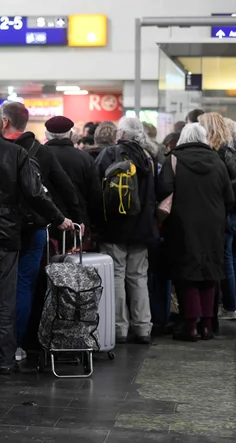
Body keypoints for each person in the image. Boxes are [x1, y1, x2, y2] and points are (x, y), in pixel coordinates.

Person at [0, 100, 73, 376]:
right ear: (0, 124)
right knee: (8, 298)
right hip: (8, 235)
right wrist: (59, 219)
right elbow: (35, 194)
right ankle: (7, 359)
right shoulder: (15, 153)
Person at [0, 101, 81, 362]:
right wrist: (67, 219)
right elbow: (68, 189)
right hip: (35, 227)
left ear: (5, 121)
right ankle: (19, 344)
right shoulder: (42, 153)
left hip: (0, 227)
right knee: (25, 284)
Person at [157, 123, 234, 341]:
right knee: (210, 275)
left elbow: (164, 190)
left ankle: (190, 325)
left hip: (182, 224)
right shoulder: (217, 162)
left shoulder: (173, 160)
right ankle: (207, 326)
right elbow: (229, 197)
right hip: (213, 226)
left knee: (186, 274)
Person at [95, 117, 159, 344]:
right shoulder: (148, 158)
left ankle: (119, 328)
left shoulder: (109, 154)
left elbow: (95, 189)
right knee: (138, 277)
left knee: (116, 276)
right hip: (142, 228)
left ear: (120, 133)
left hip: (114, 227)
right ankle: (143, 327)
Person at [198, 113, 236, 321]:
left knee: (224, 259)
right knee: (228, 258)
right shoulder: (228, 151)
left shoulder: (217, 153)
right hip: (226, 213)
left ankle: (229, 305)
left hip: (221, 213)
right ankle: (229, 304)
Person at [44, 116, 102, 244]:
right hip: (77, 225)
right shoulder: (84, 158)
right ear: (71, 135)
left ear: (46, 135)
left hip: (44, 223)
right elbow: (94, 194)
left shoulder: (37, 156)